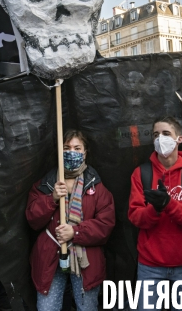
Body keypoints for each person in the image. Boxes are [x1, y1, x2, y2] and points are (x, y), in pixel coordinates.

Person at [26, 129, 115, 311]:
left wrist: (75, 232)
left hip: (85, 261)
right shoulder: (47, 183)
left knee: (86, 308)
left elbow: (106, 224)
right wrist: (51, 199)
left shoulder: (95, 186)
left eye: (77, 148)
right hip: (50, 257)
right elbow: (32, 219)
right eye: (66, 148)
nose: (71, 152)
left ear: (85, 152)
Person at [128, 117, 182, 311]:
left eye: (165, 134)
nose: (160, 139)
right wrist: (155, 208)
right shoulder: (141, 173)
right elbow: (135, 217)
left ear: (179, 138)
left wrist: (168, 204)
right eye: (155, 135)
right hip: (150, 264)